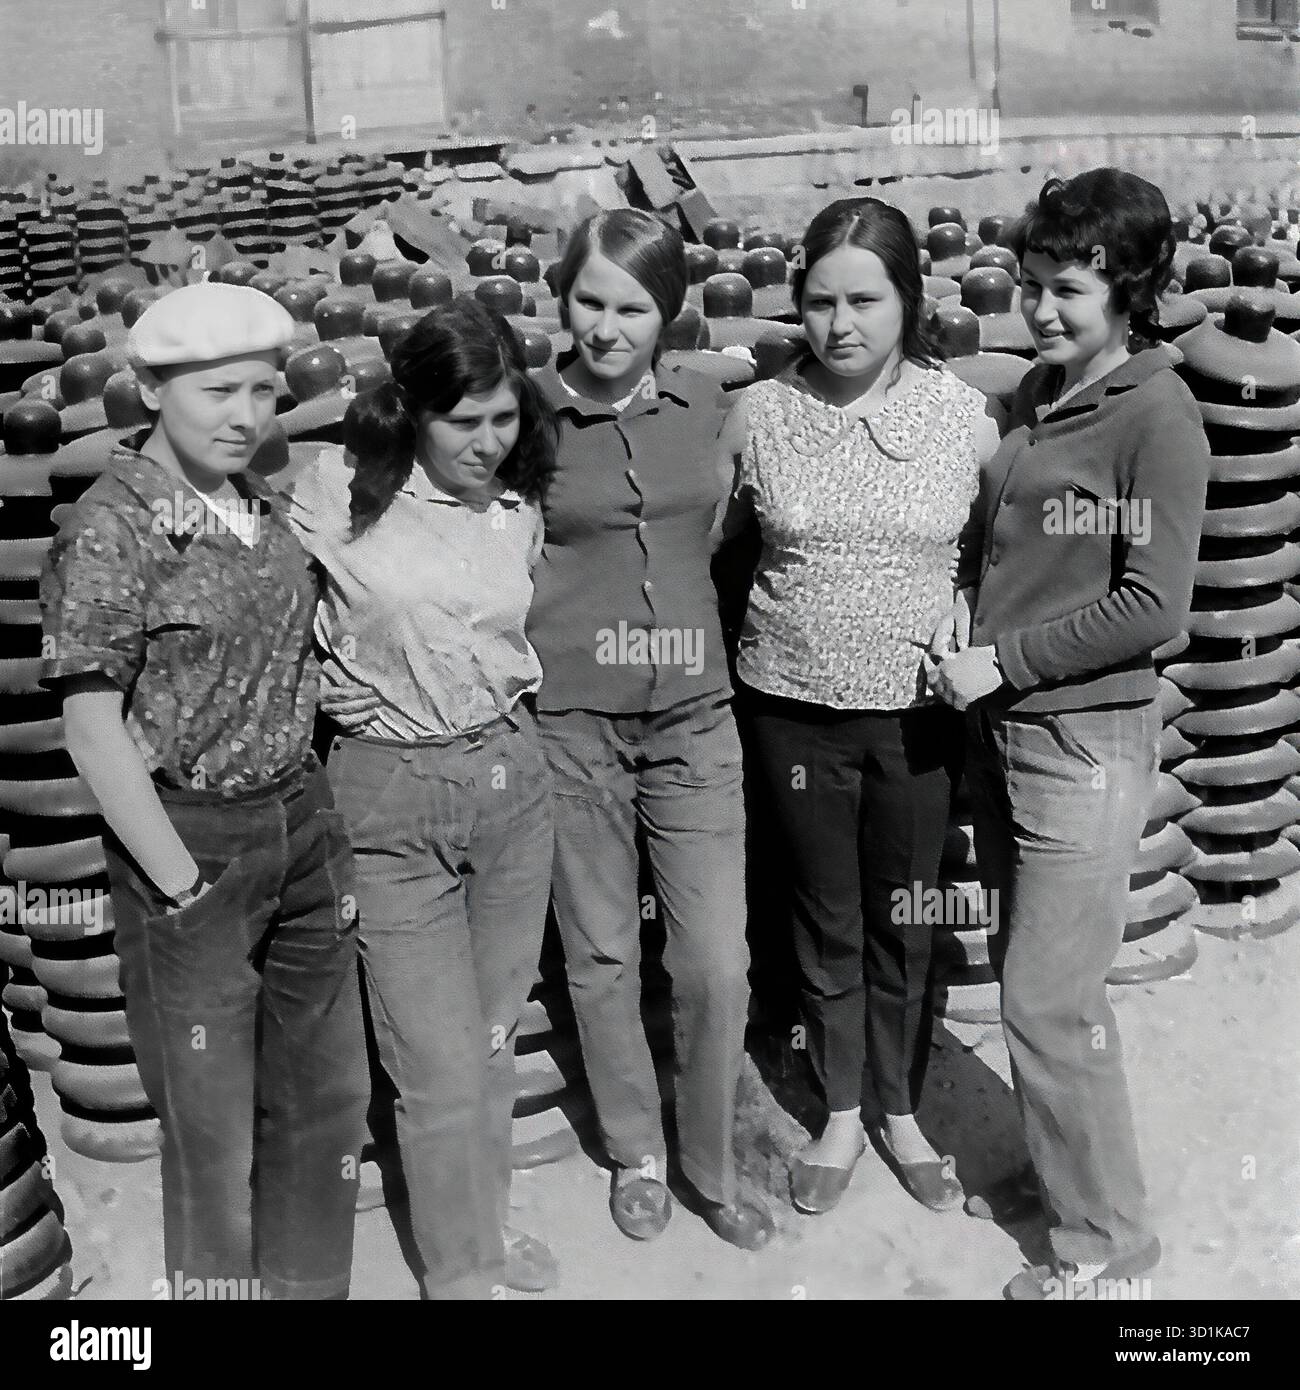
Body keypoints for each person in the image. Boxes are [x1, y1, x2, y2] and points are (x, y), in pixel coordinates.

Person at [38, 281, 369, 1299]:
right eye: (217, 391)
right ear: (149, 389)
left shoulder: (257, 500)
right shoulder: (114, 526)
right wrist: (182, 885)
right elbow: (90, 728)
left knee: (324, 1100)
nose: (245, 415)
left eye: (263, 391)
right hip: (191, 841)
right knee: (214, 1134)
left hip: (302, 824)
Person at [928, 168, 1210, 1299]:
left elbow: (1154, 606)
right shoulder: (1044, 391)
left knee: (1050, 1001)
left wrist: (1003, 660)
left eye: (1070, 290)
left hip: (1081, 746)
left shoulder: (1157, 417)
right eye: (1034, 283)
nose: (1041, 309)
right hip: (1006, 734)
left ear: (1131, 290)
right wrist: (964, 596)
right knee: (1035, 984)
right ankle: (1064, 1181)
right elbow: (1005, 532)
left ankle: (1106, 1247)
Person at [720, 197, 1002, 1216]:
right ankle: (841, 1107)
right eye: (821, 302)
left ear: (909, 300)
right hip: (791, 710)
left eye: (865, 301)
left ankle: (901, 1106)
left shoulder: (964, 418)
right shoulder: (757, 414)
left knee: (905, 912)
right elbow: (713, 547)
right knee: (823, 913)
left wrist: (967, 598)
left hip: (915, 713)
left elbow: (999, 544)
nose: (840, 324)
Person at [287, 298, 559, 1299]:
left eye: (504, 416)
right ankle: (461, 1273)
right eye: (463, 420)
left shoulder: (515, 503)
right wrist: (315, 683)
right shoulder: (334, 491)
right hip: (391, 794)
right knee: (437, 1066)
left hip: (510, 780)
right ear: (411, 410)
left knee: (490, 1037)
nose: (489, 442)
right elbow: (258, 597)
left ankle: (480, 1221)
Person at [529, 207, 772, 1249]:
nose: (606, 326)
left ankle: (711, 1161)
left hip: (693, 716)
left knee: (716, 960)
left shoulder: (707, 399)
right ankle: (636, 1150)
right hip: (571, 723)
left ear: (667, 312)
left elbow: (793, 358)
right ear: (560, 298)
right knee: (600, 954)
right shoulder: (524, 415)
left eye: (632, 307)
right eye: (588, 301)